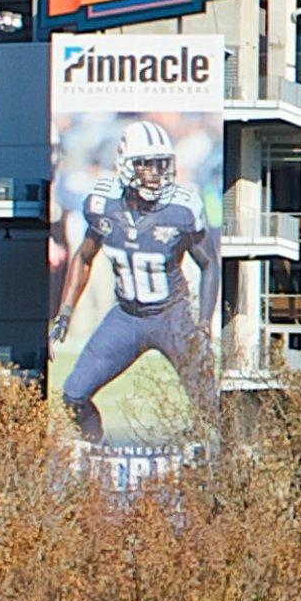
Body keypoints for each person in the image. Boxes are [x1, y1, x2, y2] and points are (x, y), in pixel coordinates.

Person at [52, 115, 219, 442]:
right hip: (127, 317)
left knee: (211, 405)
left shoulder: (181, 209)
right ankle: (96, 454)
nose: (156, 173)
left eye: (161, 164)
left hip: (173, 317)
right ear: (126, 166)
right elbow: (83, 257)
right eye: (147, 165)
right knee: (73, 396)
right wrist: (66, 312)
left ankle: (223, 470)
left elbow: (209, 264)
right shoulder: (103, 205)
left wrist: (202, 324)